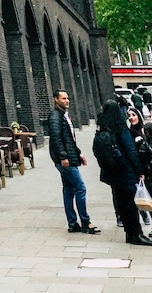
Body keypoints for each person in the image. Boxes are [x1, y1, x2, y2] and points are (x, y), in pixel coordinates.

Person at [93, 100, 151, 247]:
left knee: (122, 204)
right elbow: (131, 151)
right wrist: (140, 171)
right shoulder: (120, 127)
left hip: (114, 173)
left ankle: (129, 233)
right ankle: (136, 234)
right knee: (130, 204)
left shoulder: (103, 127)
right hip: (126, 171)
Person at [48, 89, 100, 234]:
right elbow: (56, 138)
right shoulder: (55, 117)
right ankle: (85, 221)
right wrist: (63, 157)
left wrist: (78, 153)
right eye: (63, 98)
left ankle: (72, 223)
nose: (67, 100)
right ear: (56, 99)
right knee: (80, 188)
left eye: (67, 98)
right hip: (65, 160)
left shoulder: (62, 115)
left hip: (69, 157)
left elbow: (69, 139)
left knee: (69, 189)